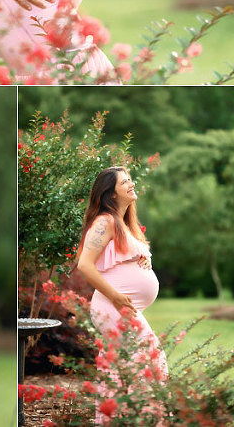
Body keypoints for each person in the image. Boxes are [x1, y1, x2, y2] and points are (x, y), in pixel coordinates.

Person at [75, 167, 167, 420]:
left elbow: (121, 257)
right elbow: (85, 264)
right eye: (124, 182)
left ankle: (124, 420)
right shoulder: (105, 221)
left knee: (127, 366)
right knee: (150, 360)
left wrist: (143, 261)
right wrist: (115, 296)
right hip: (113, 306)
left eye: (130, 180)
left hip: (124, 306)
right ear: (111, 193)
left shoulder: (125, 224)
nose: (131, 184)